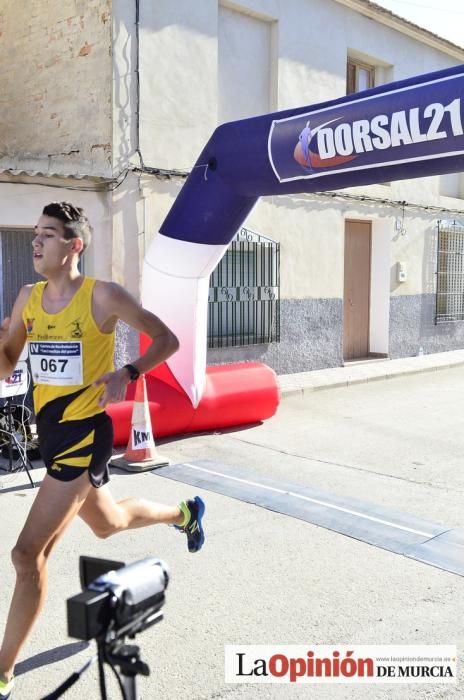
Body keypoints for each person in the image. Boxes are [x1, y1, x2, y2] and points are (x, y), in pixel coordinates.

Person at [0, 202, 206, 699]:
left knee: (28, 554)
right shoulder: (27, 298)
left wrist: (128, 373)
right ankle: (184, 512)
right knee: (107, 524)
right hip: (49, 434)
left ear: (75, 244)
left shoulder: (103, 297)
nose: (37, 242)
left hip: (83, 436)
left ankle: (3, 669)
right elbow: (8, 362)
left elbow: (167, 338)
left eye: (48, 234)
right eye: (35, 234)